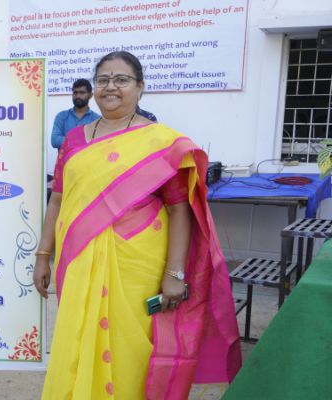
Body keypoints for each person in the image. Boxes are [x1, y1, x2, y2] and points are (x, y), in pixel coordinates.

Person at [33, 51, 241, 399]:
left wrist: (174, 274)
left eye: (121, 80)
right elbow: (57, 199)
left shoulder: (159, 142)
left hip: (137, 263)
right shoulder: (74, 140)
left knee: (131, 348)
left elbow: (179, 210)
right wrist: (43, 254)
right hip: (79, 258)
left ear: (140, 87)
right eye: (103, 80)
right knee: (79, 337)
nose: (110, 87)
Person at [50, 78, 100, 150]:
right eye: (75, 92)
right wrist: (82, 141)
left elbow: (98, 143)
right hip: (66, 158)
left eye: (82, 92)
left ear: (90, 95)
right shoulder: (62, 116)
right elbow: (55, 141)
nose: (78, 96)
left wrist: (68, 141)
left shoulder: (97, 119)